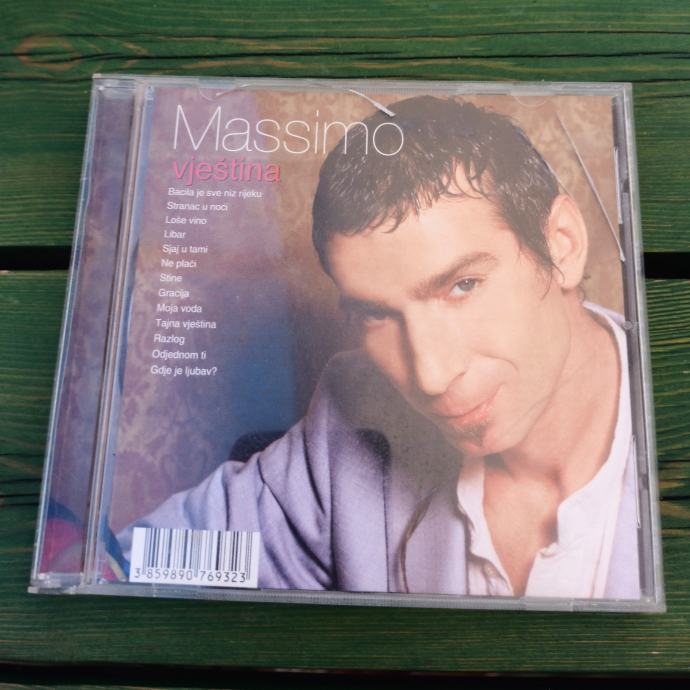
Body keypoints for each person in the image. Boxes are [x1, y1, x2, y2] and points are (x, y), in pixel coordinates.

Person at [119, 96, 640, 600]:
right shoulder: (354, 417)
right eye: (376, 314)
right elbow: (132, 562)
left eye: (463, 285)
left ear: (562, 245)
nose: (431, 376)